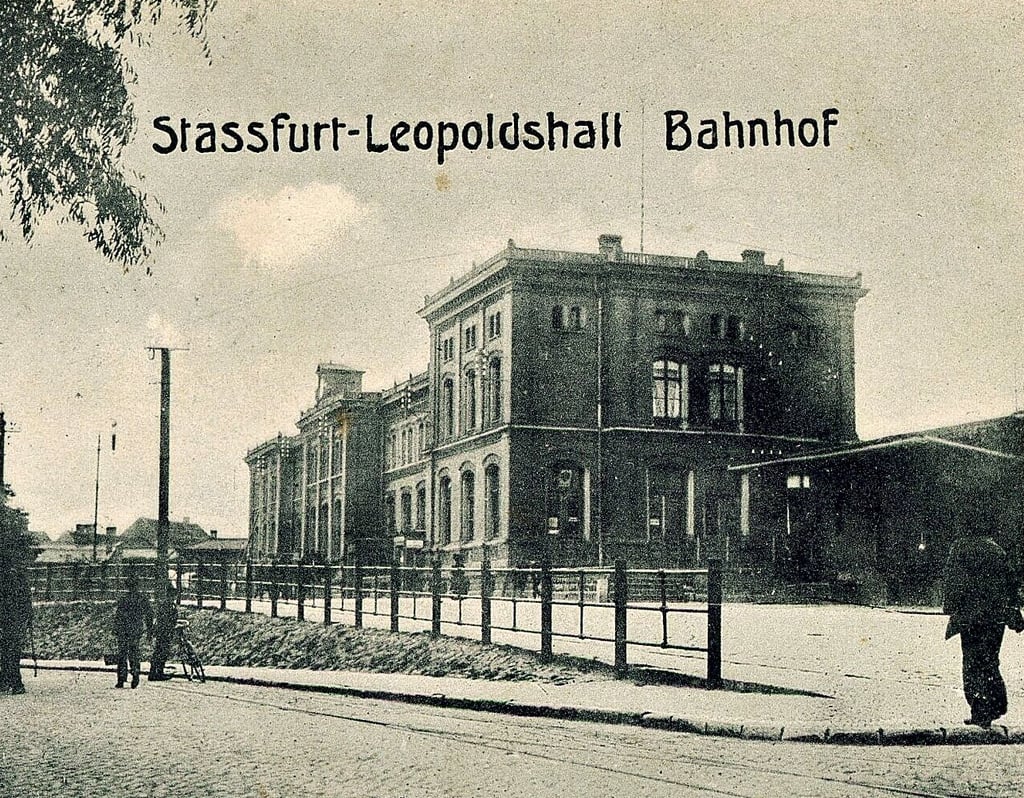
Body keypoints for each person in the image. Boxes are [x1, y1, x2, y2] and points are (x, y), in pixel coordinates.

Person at [943, 525, 1022, 728]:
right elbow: (1011, 581)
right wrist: (1012, 610)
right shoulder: (996, 550)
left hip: (970, 618)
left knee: (972, 664)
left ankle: (981, 709)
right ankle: (995, 704)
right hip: (995, 617)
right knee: (989, 661)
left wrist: (951, 608)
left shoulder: (960, 549)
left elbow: (953, 582)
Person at [0, 530, 33, 696]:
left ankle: (9, 681)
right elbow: (26, 600)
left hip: (11, 619)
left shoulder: (14, 579)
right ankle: (12, 682)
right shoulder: (18, 578)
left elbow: (26, 600)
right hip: (12, 619)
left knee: (9, 651)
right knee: (11, 651)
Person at [113, 573, 153, 689]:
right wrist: (149, 631)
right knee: (134, 653)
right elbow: (149, 615)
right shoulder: (142, 599)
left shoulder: (124, 599)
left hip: (123, 631)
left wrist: (115, 630)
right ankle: (135, 675)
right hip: (136, 630)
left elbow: (118, 616)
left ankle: (121, 679)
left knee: (122, 655)